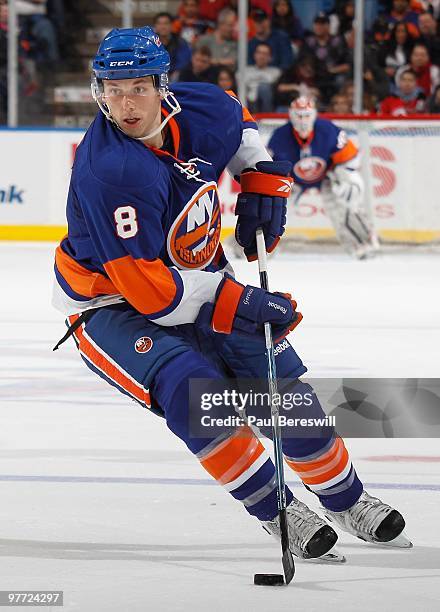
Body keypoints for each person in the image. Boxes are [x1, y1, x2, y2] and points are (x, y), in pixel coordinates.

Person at [52, 27, 411, 563]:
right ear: (98, 89)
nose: (124, 104)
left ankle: (346, 500)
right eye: (113, 89)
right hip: (116, 305)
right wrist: (238, 302)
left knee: (280, 387)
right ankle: (277, 510)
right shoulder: (110, 170)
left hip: (195, 276)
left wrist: (262, 178)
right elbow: (152, 294)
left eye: (138, 88)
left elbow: (240, 126)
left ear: (162, 86)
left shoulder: (203, 107)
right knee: (193, 390)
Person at [268, 96, 380, 259]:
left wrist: (345, 177)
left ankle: (364, 243)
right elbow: (270, 168)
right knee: (274, 209)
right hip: (293, 180)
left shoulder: (328, 130)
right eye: (298, 116)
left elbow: (351, 158)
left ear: (314, 115)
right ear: (291, 116)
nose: (303, 121)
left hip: (327, 175)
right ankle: (257, 247)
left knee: (346, 199)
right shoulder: (279, 136)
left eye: (306, 116)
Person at [153, 12, 192, 79]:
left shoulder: (180, 42)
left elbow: (183, 62)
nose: (163, 27)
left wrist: (171, 71)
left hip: (175, 74)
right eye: (159, 24)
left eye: (166, 23)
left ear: (171, 25)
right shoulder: (149, 43)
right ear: (155, 26)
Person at [243, 42, 280, 112]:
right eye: (259, 53)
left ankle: (266, 117)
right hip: (247, 103)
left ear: (270, 57)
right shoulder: (244, 71)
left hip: (266, 105)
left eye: (265, 54)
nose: (261, 56)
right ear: (254, 55)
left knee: (264, 88)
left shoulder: (276, 72)